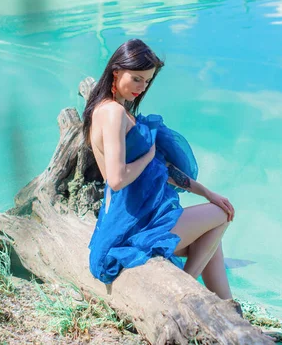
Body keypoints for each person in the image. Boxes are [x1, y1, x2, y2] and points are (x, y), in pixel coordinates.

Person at [82, 39, 236, 302]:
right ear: (116, 71)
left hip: (137, 216)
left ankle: (232, 312)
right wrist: (148, 156)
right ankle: (188, 293)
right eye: (137, 79)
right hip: (131, 225)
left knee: (212, 239)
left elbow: (162, 169)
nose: (141, 88)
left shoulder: (118, 111)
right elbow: (116, 179)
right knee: (221, 215)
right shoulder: (112, 113)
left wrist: (207, 192)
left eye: (147, 81)